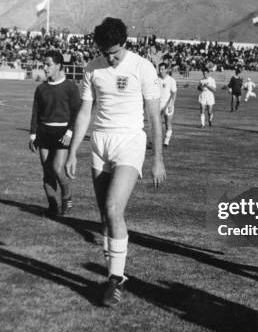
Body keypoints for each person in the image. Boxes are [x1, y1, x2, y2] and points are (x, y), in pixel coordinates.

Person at [65, 17, 165, 307]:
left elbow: (153, 116)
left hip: (129, 142)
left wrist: (157, 158)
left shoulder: (142, 67)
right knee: (104, 218)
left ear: (124, 43)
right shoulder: (92, 69)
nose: (110, 58)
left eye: (115, 52)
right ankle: (113, 272)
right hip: (100, 144)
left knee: (112, 208)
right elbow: (85, 113)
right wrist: (72, 152)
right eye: (105, 52)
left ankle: (114, 281)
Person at [29, 50, 81, 217]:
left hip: (62, 132)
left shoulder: (70, 86)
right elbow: (35, 112)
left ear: (58, 66)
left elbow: (76, 112)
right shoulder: (41, 88)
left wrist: (70, 132)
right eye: (44, 64)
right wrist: (32, 135)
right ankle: (53, 207)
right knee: (47, 172)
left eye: (48, 64)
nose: (44, 67)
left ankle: (67, 197)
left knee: (58, 169)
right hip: (44, 132)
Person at [158, 62, 177, 146]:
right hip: (158, 104)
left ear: (166, 69)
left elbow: (174, 94)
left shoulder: (171, 80)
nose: (160, 71)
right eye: (159, 69)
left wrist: (171, 104)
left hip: (168, 104)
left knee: (167, 123)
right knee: (156, 123)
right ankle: (155, 141)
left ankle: (166, 141)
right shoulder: (156, 79)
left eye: (162, 69)